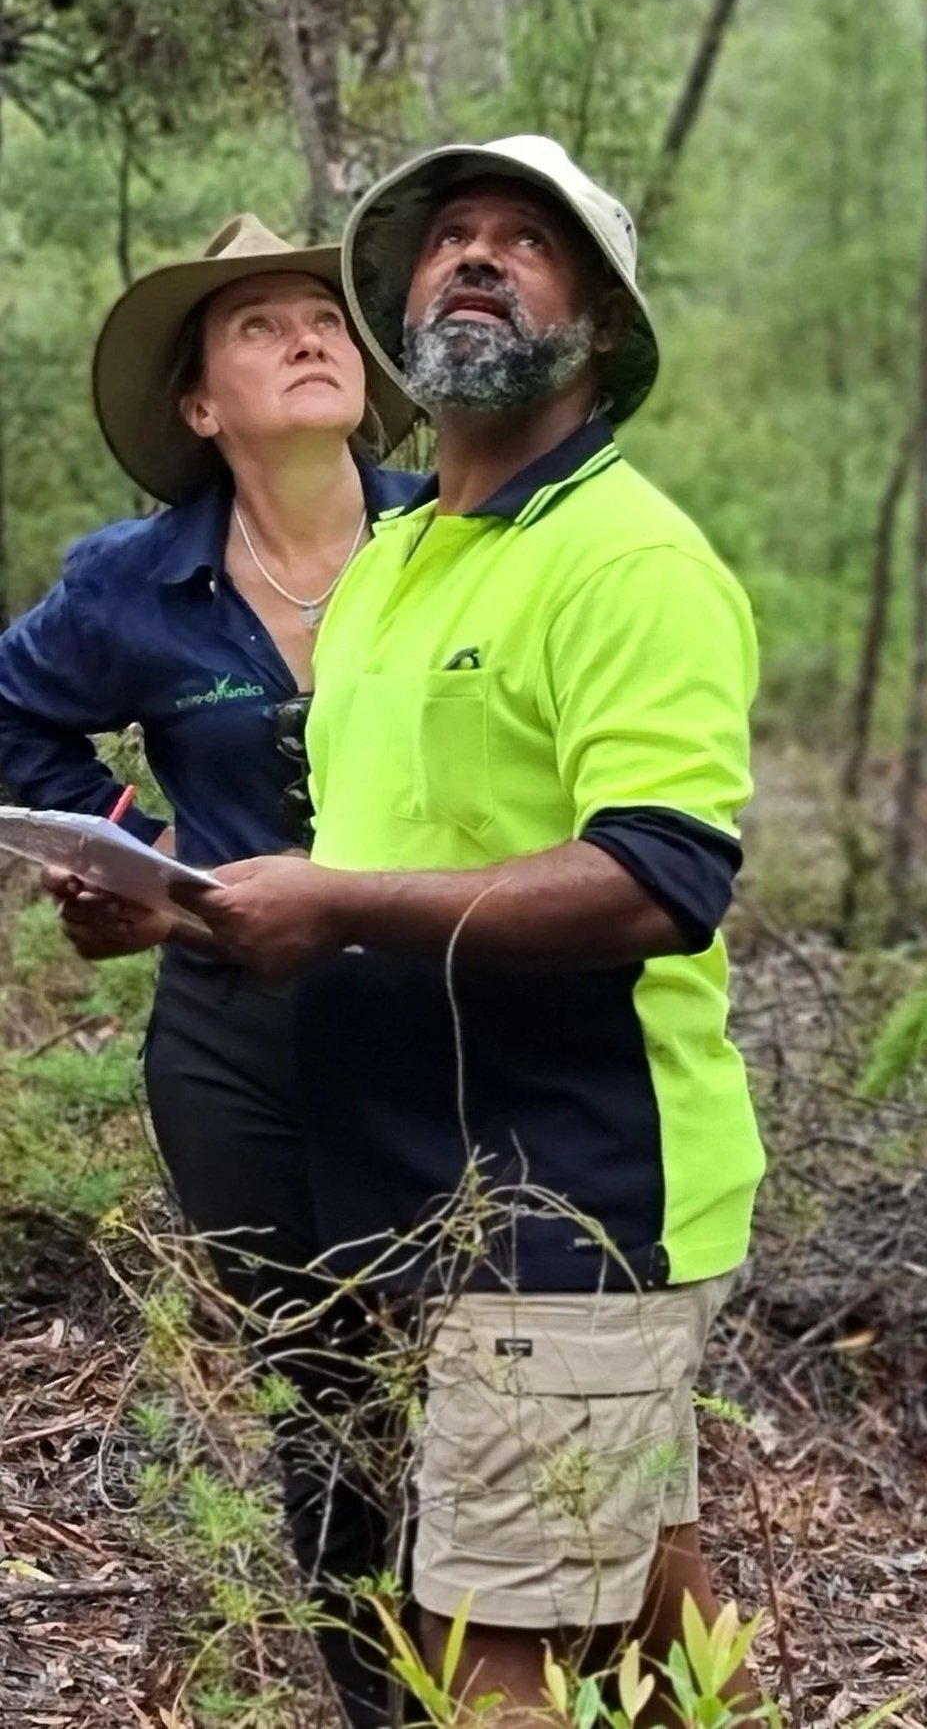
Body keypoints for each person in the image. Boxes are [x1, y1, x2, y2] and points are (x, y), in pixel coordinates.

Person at [182, 136, 767, 1724]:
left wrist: (334, 907)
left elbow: (661, 875)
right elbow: (386, 847)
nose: (480, 257)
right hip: (407, 1173)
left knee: (479, 1654)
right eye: (453, 238)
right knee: (652, 1609)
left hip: (569, 1193)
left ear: (600, 324)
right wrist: (203, 899)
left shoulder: (630, 560)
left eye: (531, 240)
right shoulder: (388, 561)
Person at [0, 214, 425, 1728]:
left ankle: (511, 1678)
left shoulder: (456, 537)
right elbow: (13, 718)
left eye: (326, 317)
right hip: (236, 1038)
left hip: (449, 1018)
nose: (309, 336)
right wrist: (143, 855)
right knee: (328, 1388)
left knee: (475, 1366)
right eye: (258, 327)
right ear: (200, 406)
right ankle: (384, 1700)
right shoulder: (138, 582)